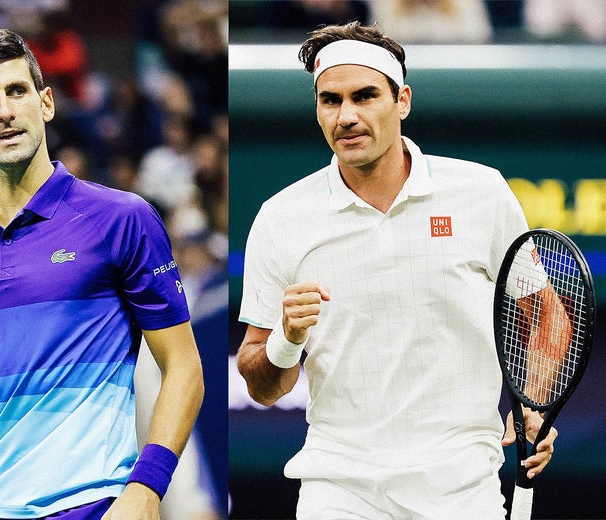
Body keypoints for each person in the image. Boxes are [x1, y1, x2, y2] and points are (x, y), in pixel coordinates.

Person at [0, 28, 204, 520]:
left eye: (16, 91)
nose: (4, 111)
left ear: (45, 103)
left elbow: (185, 368)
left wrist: (146, 488)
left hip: (89, 507)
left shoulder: (122, 219)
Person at [236, 21, 558, 519]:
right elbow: (263, 385)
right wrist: (286, 337)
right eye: (330, 100)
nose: (346, 116)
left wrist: (534, 401)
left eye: (365, 96)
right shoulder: (280, 217)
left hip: (461, 486)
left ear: (401, 101)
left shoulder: (482, 193)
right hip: (338, 490)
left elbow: (546, 318)